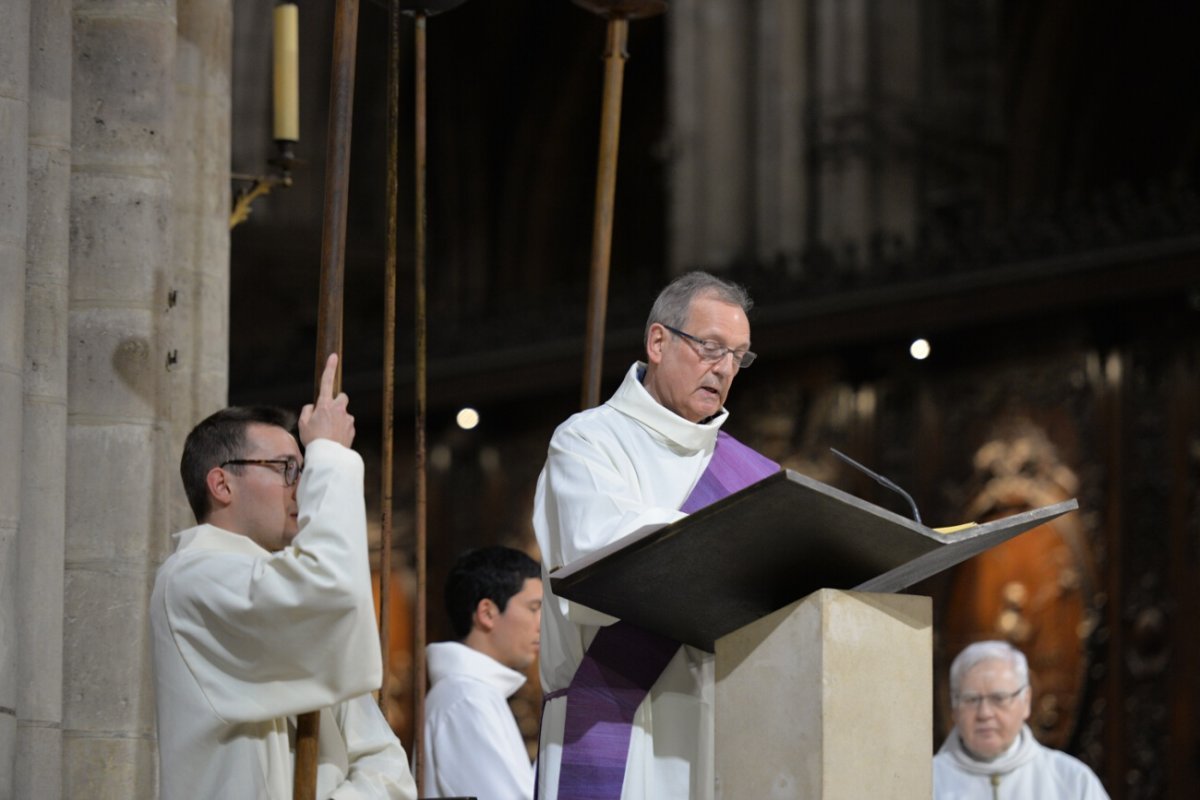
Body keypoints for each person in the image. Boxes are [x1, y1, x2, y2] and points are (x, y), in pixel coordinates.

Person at [531, 271, 779, 800]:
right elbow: (598, 557)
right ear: (658, 341)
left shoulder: (750, 473)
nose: (725, 368)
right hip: (615, 714)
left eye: (739, 356)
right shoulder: (587, 440)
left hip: (724, 727)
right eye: (711, 347)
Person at [150, 354, 417, 799]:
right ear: (222, 484)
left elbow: (384, 762)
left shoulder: (279, 584)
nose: (302, 486)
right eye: (286, 468)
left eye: (306, 469)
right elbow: (326, 594)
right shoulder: (191, 577)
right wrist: (331, 455)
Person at [422, 546, 543, 800]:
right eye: (534, 608)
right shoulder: (466, 698)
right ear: (487, 613)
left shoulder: (472, 693)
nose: (541, 623)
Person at [933, 640, 1109, 799]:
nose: (984, 713)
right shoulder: (925, 781)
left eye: (999, 698)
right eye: (971, 699)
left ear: (1026, 701)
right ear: (954, 708)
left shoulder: (1073, 781)